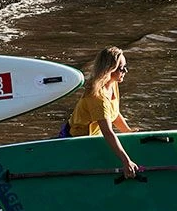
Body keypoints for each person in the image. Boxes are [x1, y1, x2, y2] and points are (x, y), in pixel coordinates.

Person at [60, 46, 140, 179]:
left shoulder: (113, 83)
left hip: (95, 137)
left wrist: (128, 132)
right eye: (121, 68)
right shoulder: (98, 98)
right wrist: (126, 162)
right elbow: (107, 132)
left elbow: (114, 113)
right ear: (110, 70)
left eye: (126, 66)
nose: (125, 71)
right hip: (77, 140)